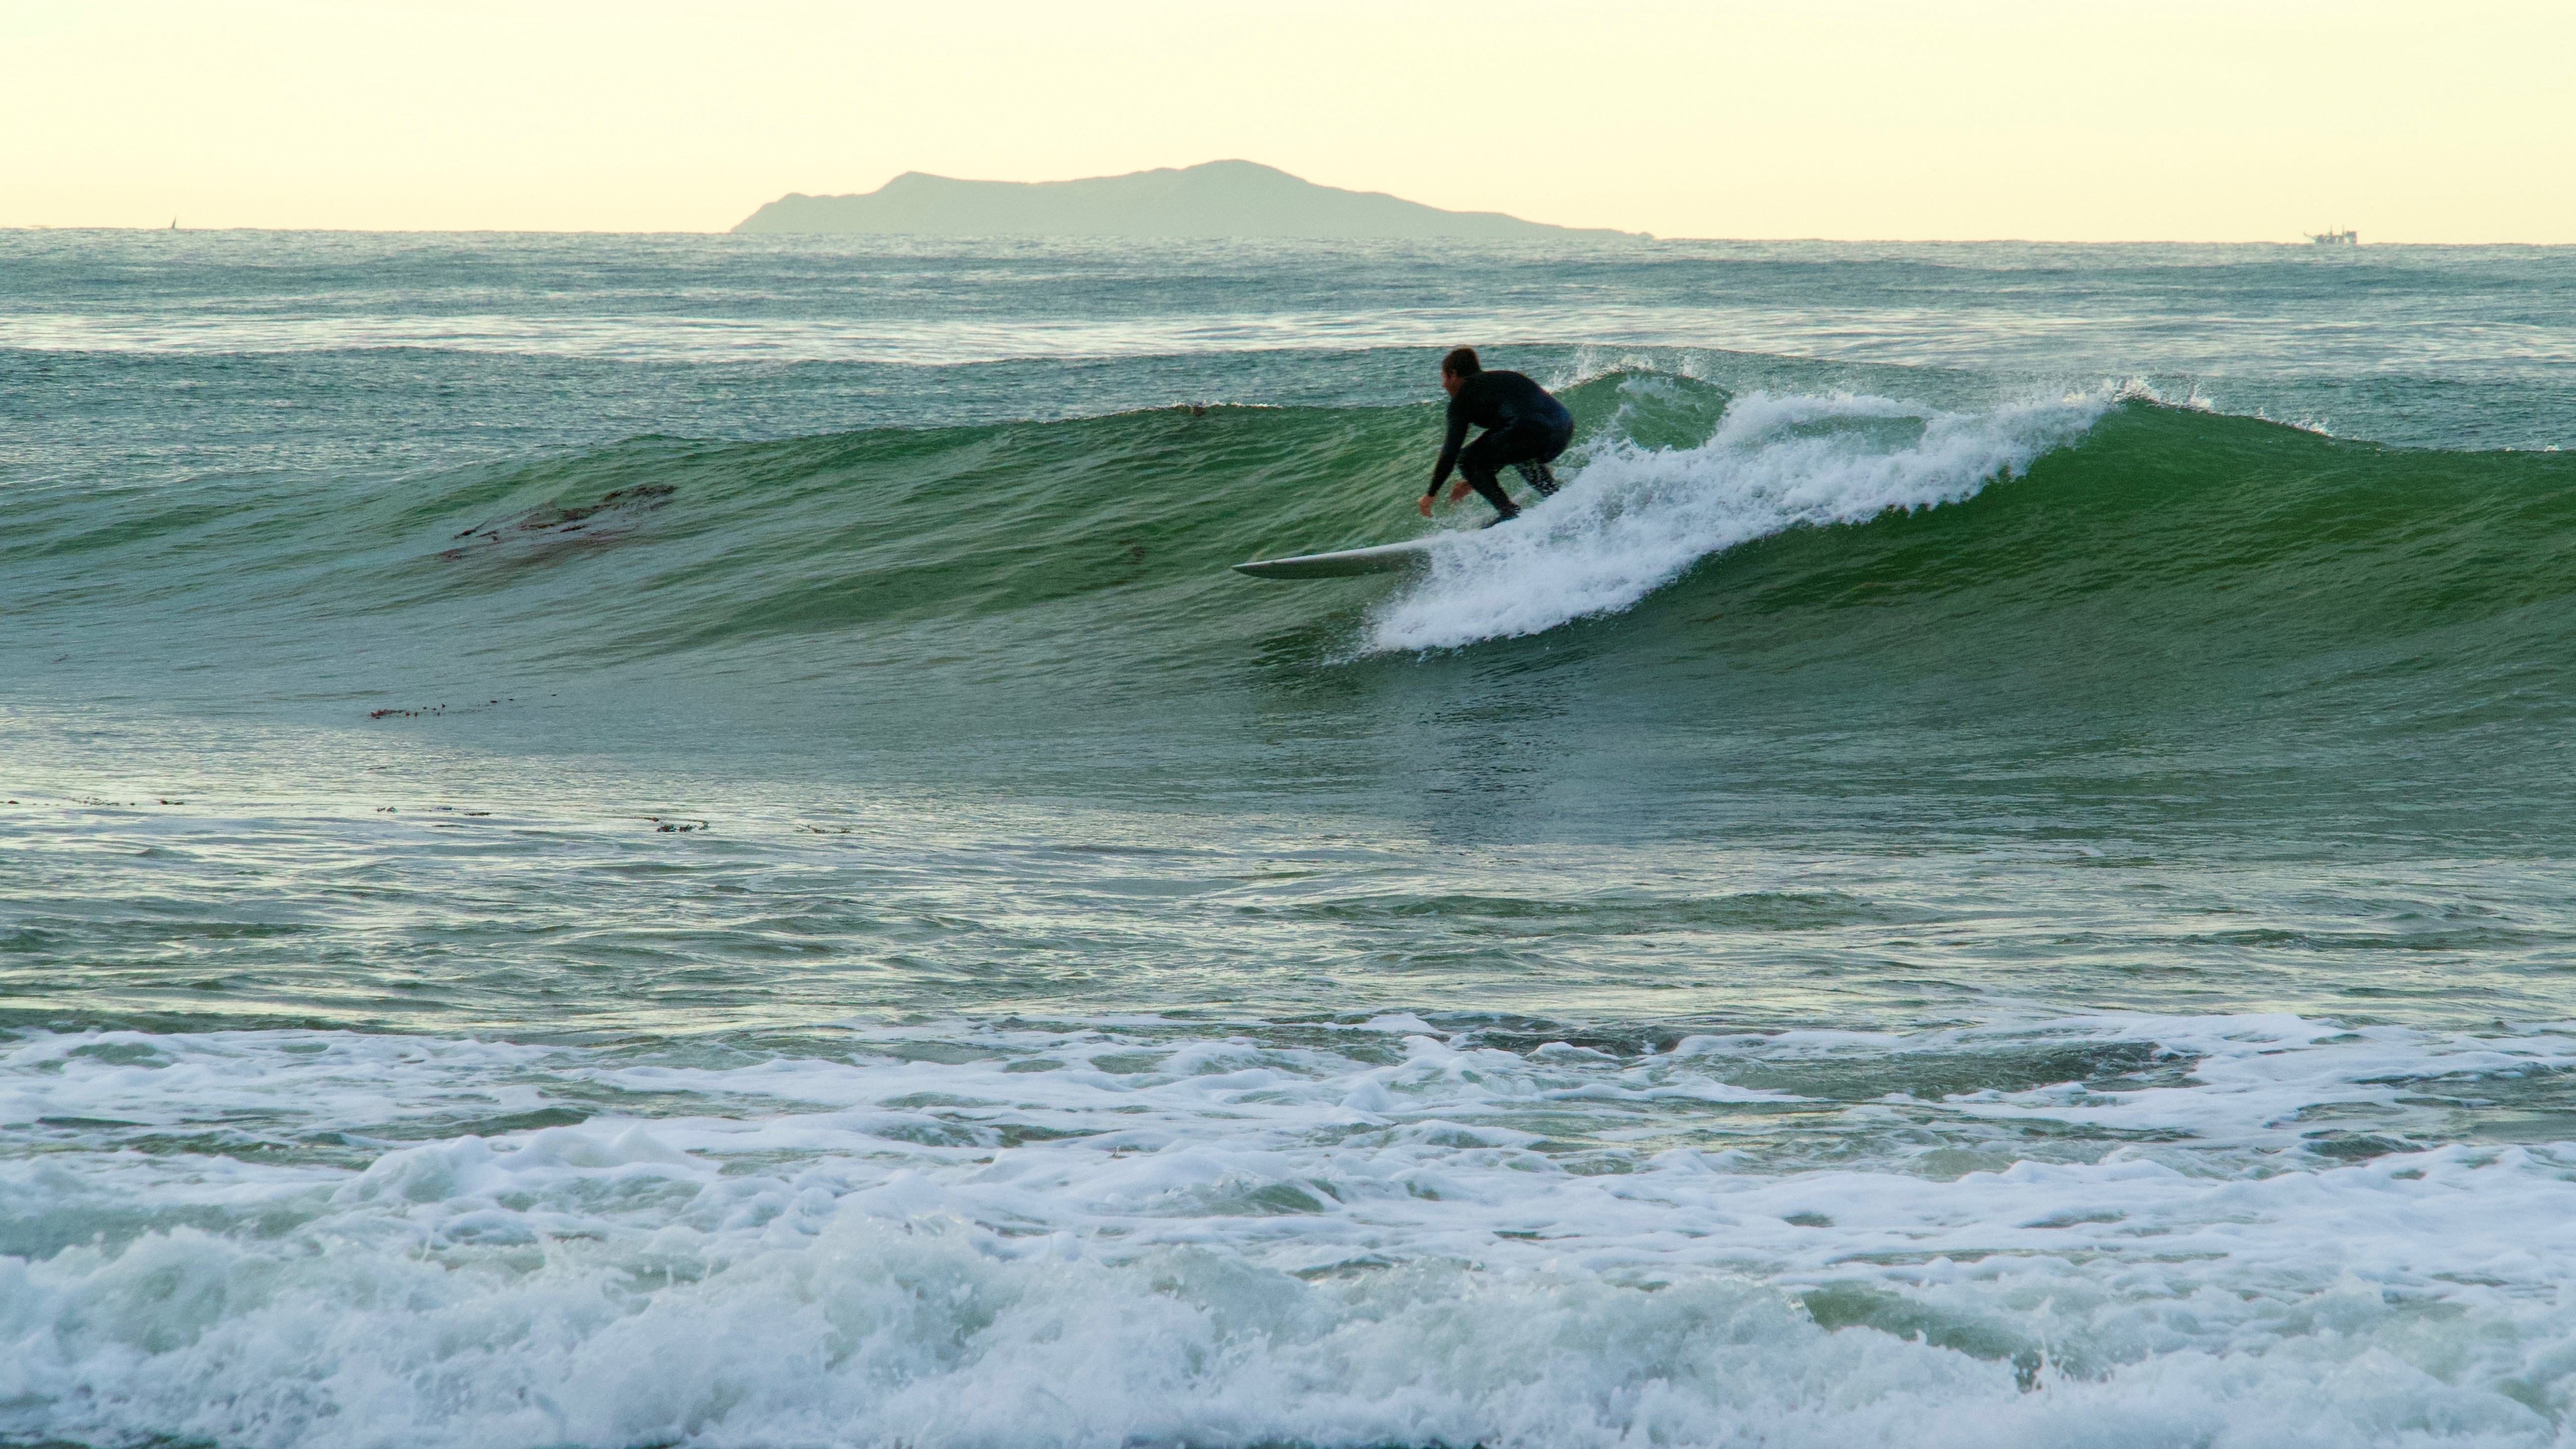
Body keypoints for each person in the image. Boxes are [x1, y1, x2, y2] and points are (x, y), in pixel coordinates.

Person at [1421, 347, 1573, 523]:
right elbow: (1509, 442)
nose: (1443, 385)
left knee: (1465, 458)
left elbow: (1450, 452)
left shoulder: (1463, 399)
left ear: (1453, 374)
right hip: (1563, 429)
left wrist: (1430, 494)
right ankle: (1559, 501)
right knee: (1521, 455)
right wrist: (1474, 480)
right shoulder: (1507, 378)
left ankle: (1509, 513)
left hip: (1528, 433)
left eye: (1444, 378)